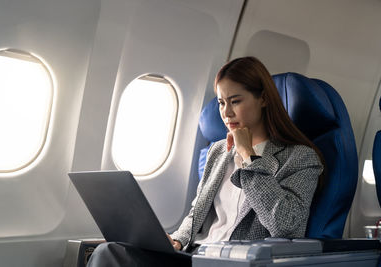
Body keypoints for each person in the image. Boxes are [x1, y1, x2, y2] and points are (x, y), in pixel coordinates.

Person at [87, 56, 324, 266]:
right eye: (222, 103)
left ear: (262, 99)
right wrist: (177, 240)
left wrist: (248, 156)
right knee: (110, 251)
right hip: (194, 255)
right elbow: (197, 214)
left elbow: (287, 225)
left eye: (236, 101)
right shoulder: (219, 151)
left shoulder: (300, 157)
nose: (226, 112)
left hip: (234, 261)